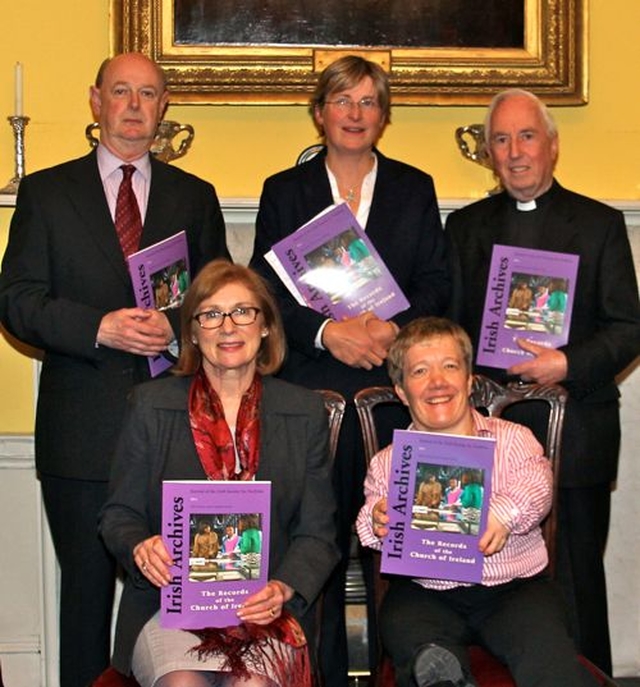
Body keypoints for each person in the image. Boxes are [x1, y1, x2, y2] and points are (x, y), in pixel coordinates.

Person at [0, 52, 229, 687]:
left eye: (148, 94)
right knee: (85, 604)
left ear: (164, 108)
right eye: (121, 92)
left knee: (177, 605)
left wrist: (184, 326)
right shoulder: (48, 192)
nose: (134, 106)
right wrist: (98, 327)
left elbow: (224, 306)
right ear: (95, 101)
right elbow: (17, 300)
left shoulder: (195, 196)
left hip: (179, 436)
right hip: (81, 435)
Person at [250, 54, 450, 685]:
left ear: (383, 116)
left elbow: (439, 284)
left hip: (394, 402)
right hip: (313, 400)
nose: (355, 114)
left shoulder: (414, 187)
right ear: (320, 113)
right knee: (319, 550)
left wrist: (394, 334)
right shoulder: (285, 192)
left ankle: (402, 673)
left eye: (368, 102)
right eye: (343, 101)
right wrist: (329, 333)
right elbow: (265, 295)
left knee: (398, 553)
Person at [445, 88, 640, 675]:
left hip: (576, 428)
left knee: (577, 577)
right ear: (488, 153)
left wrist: (567, 363)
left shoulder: (600, 224)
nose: (514, 152)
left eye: (526, 136)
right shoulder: (466, 226)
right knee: (489, 582)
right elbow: (449, 327)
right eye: (500, 140)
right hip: (490, 441)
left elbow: (628, 327)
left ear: (552, 145)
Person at [99, 259, 339, 687]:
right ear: (192, 332)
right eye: (211, 315)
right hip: (166, 608)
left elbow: (319, 532)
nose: (228, 327)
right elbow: (119, 515)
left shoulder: (303, 411)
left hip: (264, 609)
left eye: (243, 311)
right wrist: (140, 546)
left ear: (265, 325)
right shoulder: (150, 406)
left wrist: (283, 588)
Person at [356, 317, 600, 687]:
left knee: (545, 655)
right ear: (402, 392)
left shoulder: (514, 439)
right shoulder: (388, 461)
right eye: (420, 371)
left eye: (450, 367)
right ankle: (439, 670)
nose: (437, 382)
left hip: (514, 588)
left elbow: (538, 484)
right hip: (425, 591)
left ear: (469, 382)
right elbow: (367, 526)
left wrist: (503, 515)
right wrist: (377, 520)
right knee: (411, 636)